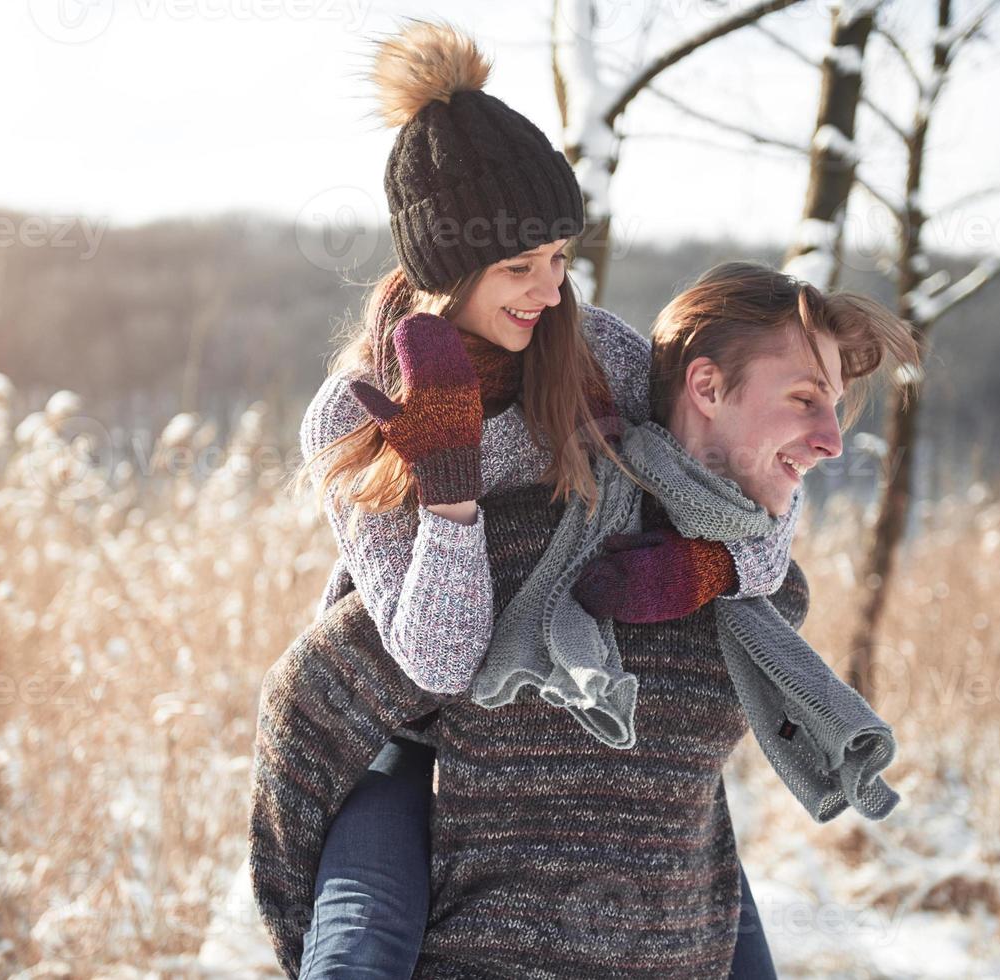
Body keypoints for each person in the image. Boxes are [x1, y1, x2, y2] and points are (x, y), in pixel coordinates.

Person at [277, 21, 840, 979]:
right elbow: (437, 663)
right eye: (516, 267)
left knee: (703, 890)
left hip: (588, 723)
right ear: (441, 270)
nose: (546, 290)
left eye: (559, 257)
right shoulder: (354, 413)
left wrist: (699, 566)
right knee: (360, 948)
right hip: (416, 731)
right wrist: (449, 491)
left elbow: (756, 508)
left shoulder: (605, 360)